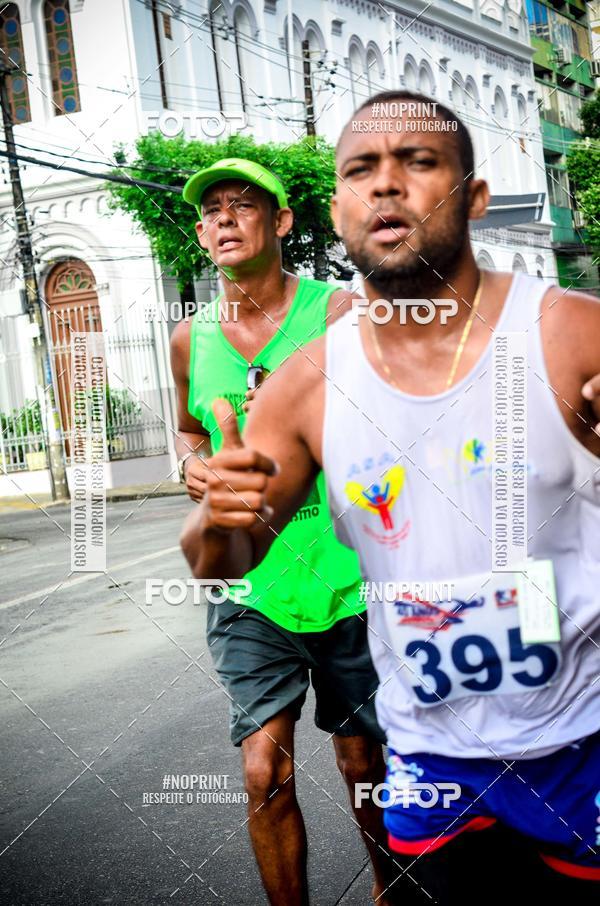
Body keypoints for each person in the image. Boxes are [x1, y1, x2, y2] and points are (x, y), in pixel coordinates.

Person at [180, 97, 600, 904]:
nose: (386, 187)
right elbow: (220, 563)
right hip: (429, 764)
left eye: (418, 162)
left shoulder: (569, 334)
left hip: (579, 749)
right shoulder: (307, 382)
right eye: (361, 171)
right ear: (338, 208)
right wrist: (220, 519)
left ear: (473, 195)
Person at [170, 158, 394, 906]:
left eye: (244, 204)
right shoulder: (188, 338)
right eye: (213, 211)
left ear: (283, 223)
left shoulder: (338, 313)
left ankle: (389, 885)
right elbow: (184, 432)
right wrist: (196, 468)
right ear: (202, 235)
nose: (226, 218)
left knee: (365, 764)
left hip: (345, 574)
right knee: (264, 770)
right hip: (247, 582)